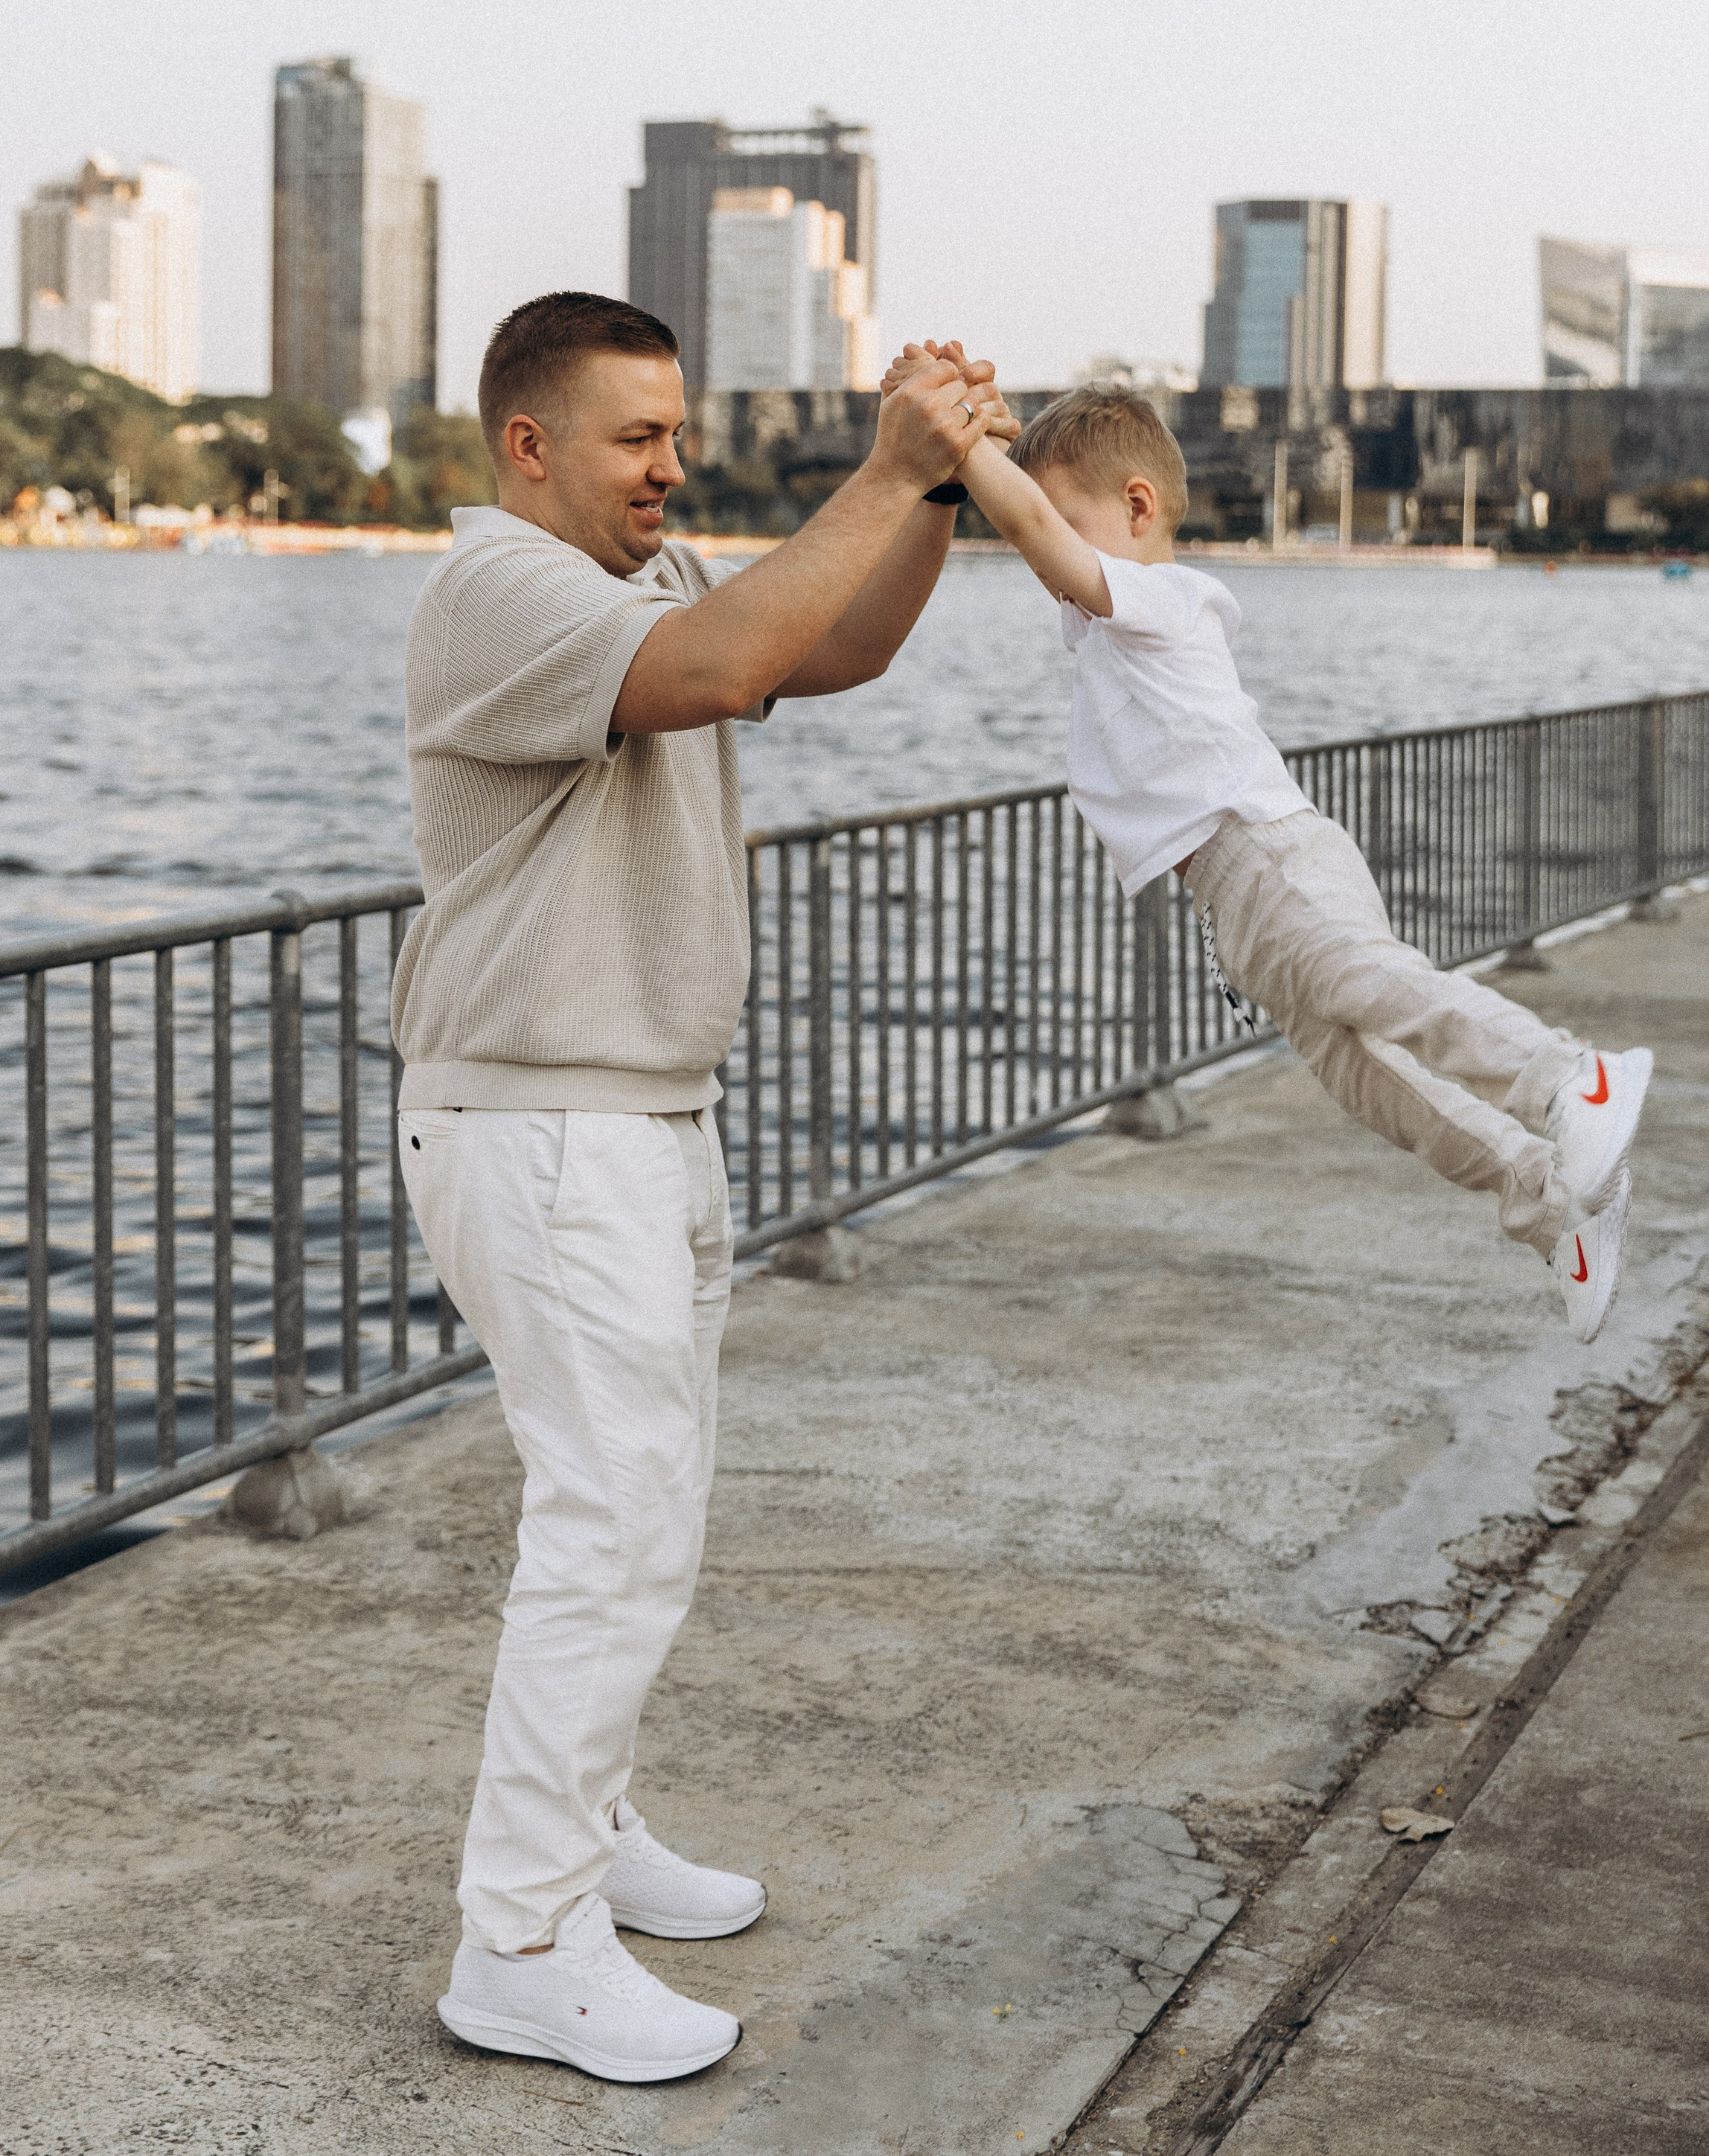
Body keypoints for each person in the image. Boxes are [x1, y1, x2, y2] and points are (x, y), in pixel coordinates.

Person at [392, 292, 1006, 2086]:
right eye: (635, 438)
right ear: (528, 446)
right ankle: (516, 1942)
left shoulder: (644, 588)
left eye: (678, 432)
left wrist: (936, 494)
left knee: (637, 1519)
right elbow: (727, 672)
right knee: (610, 1525)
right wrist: (885, 462)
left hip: (641, 1118)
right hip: (542, 1121)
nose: (675, 465)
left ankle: (592, 1838)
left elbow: (829, 651)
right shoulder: (494, 586)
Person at [884, 351, 1652, 1348]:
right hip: (1237, 898)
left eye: (1069, 525)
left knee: (1378, 985)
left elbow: (1032, 529)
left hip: (1269, 856)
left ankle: (1574, 1080)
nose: (1046, 562)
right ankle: (1557, 1213)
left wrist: (961, 440)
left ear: (1140, 506)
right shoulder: (1106, 622)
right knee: (1376, 1086)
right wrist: (978, 426)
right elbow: (1032, 513)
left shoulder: (1166, 601)